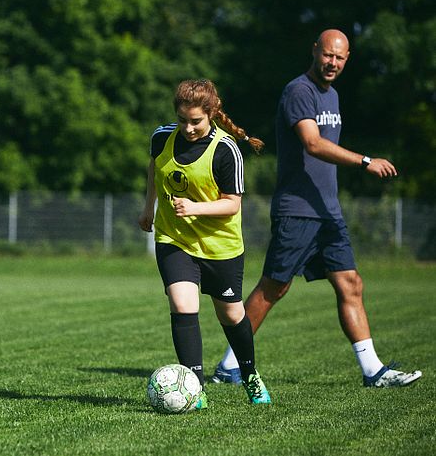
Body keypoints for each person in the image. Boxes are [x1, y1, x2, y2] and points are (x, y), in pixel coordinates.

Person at [210, 29, 422, 388]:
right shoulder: (299, 92)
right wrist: (365, 160)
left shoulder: (333, 95)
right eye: (327, 55)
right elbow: (312, 143)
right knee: (274, 288)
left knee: (351, 284)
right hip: (297, 210)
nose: (332, 63)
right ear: (314, 51)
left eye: (339, 58)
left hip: (328, 212)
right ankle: (229, 366)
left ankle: (373, 372)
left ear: (347, 58)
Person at [138, 79, 271, 407]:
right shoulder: (161, 137)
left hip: (219, 245)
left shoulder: (226, 150)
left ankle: (250, 375)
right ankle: (195, 387)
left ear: (211, 114)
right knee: (182, 305)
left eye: (195, 121)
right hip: (174, 238)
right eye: (182, 120)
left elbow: (232, 204)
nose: (188, 128)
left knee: (230, 314)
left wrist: (195, 208)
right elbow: (155, 166)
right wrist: (148, 207)